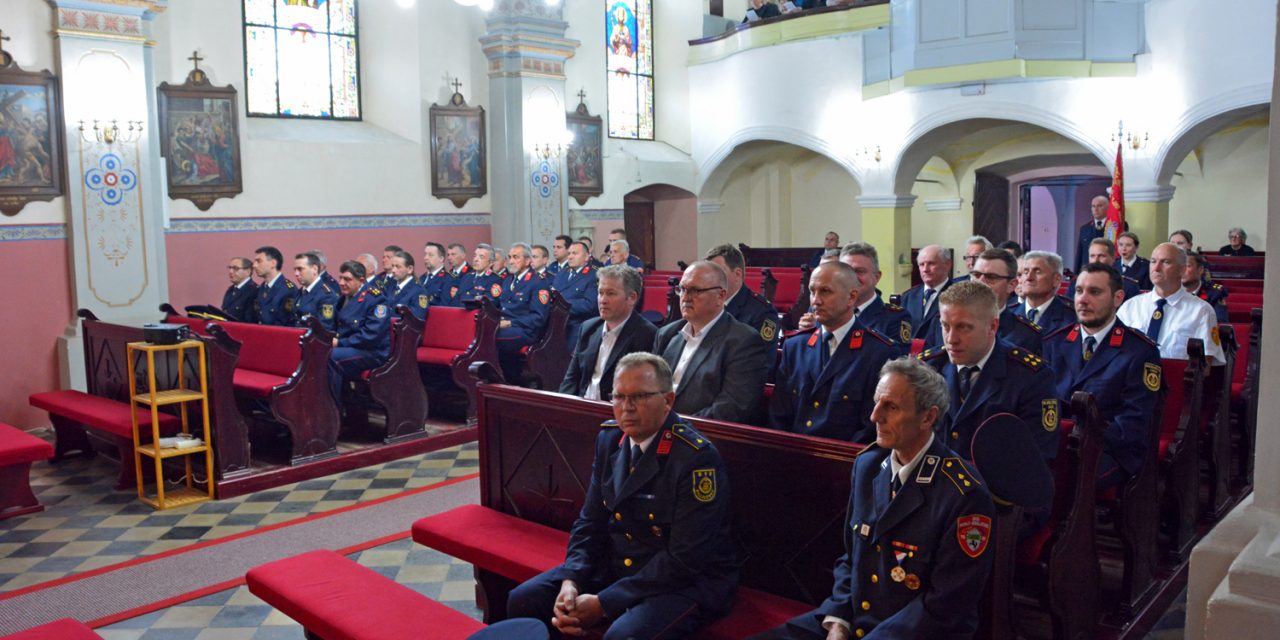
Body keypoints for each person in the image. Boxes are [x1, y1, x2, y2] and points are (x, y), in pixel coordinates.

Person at [752, 358, 995, 640]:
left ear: (928, 417)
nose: (874, 416)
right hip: (855, 620)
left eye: (891, 407)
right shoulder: (868, 465)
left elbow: (946, 606)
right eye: (876, 402)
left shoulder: (963, 494)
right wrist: (838, 621)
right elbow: (850, 558)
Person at [507, 353, 738, 640]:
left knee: (623, 636)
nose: (626, 408)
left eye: (639, 397)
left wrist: (605, 603)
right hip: (621, 564)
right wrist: (572, 579)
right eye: (617, 397)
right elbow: (589, 521)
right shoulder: (610, 439)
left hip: (687, 582)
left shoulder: (695, 458)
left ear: (668, 401)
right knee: (525, 599)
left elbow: (685, 560)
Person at [1042, 263, 1161, 490]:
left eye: (1094, 292)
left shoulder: (1140, 351)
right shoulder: (1054, 343)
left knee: (1066, 480)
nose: (1082, 300)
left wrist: (1083, 442)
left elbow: (1132, 424)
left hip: (1112, 450)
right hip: (1060, 443)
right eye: (1079, 291)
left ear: (1117, 298)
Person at [919, 281, 1058, 463]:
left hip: (994, 488)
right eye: (945, 326)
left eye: (963, 327)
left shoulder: (1031, 377)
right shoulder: (929, 367)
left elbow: (1035, 459)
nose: (951, 339)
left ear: (992, 326)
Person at [770, 262, 896, 443]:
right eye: (812, 291)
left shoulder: (878, 352)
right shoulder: (795, 346)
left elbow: (871, 426)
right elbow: (779, 414)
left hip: (845, 460)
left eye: (825, 291)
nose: (815, 301)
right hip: (794, 454)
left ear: (852, 297)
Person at [654, 261, 771, 424]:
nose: (685, 297)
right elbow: (649, 388)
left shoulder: (743, 341)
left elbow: (730, 409)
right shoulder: (667, 334)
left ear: (721, 296)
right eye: (682, 289)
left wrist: (673, 429)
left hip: (702, 440)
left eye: (695, 290)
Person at [1116, 242, 1226, 365]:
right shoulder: (1130, 307)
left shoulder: (1201, 311)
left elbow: (1204, 366)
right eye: (1153, 261)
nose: (1156, 268)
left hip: (1176, 381)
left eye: (1165, 262)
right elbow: (1113, 351)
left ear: (1182, 269)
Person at [560, 265, 657, 401]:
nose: (603, 300)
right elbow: (571, 378)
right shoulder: (588, 328)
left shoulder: (647, 334)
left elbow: (639, 392)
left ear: (632, 298)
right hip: (582, 407)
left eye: (611, 293)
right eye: (600, 293)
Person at [799, 243, 912, 353]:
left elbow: (896, 364)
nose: (852, 277)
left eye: (860, 271)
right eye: (847, 271)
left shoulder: (894, 318)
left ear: (876, 277)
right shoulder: (822, 306)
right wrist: (807, 332)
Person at [327, 260, 391, 403]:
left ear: (361, 280)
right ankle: (346, 404)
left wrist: (340, 343)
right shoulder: (344, 297)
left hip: (372, 352)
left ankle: (332, 410)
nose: (342, 282)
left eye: (347, 279)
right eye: (341, 278)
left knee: (330, 357)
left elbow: (371, 336)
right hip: (351, 348)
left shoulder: (375, 299)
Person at [495, 243, 552, 381]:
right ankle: (495, 381)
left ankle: (507, 380)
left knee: (492, 337)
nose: (511, 261)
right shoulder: (507, 281)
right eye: (509, 257)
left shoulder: (538, 282)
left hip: (526, 331)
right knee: (482, 332)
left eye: (516, 257)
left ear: (527, 261)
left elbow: (538, 318)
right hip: (505, 327)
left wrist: (510, 323)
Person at [969, 249, 1043, 354]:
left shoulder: (1027, 335)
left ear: (1011, 285)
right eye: (976, 275)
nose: (980, 282)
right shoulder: (949, 322)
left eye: (991, 277)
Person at [706, 243, 779, 347]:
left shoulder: (762, 312)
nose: (710, 279)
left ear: (737, 274)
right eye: (708, 274)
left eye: (717, 273)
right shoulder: (707, 304)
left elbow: (760, 359)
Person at [899, 245, 958, 348]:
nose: (925, 269)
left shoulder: (958, 295)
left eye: (931, 263)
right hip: (909, 360)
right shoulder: (908, 297)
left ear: (948, 265)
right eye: (921, 264)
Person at [552, 241, 601, 351]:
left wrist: (563, 305)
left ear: (587, 257)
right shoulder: (561, 274)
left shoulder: (593, 275)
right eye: (569, 254)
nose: (570, 257)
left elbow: (590, 305)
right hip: (557, 322)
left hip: (579, 324)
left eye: (575, 253)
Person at [1012, 251, 1076, 335]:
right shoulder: (1008, 314)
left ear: (1056, 279)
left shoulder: (1072, 318)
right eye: (1026, 272)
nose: (1028, 277)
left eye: (1037, 272)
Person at [246, 246, 296, 326]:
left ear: (273, 263)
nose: (254, 265)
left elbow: (288, 323)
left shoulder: (288, 289)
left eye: (259, 261)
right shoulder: (261, 288)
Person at [1075, 195, 1126, 273]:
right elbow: (1080, 253)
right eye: (1093, 206)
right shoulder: (1085, 228)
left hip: (1110, 271)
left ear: (1108, 207)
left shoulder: (1116, 226)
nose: (1095, 209)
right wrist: (1077, 273)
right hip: (1088, 271)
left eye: (1099, 206)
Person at [292, 251, 340, 331]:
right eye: (295, 269)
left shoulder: (327, 296)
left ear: (314, 269)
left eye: (300, 269)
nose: (296, 273)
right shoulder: (300, 292)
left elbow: (324, 330)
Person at [1184, 251, 1229, 323]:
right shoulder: (1169, 291)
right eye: (1179, 266)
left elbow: (1220, 322)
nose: (1181, 270)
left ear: (1200, 270)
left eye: (1187, 266)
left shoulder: (1215, 293)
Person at [385, 250, 429, 321]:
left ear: (409, 269)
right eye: (392, 266)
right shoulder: (390, 286)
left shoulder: (419, 292)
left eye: (398, 267)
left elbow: (416, 319)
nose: (393, 270)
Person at [222, 257, 258, 321]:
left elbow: (250, 321)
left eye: (235, 268)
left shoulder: (254, 291)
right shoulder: (230, 290)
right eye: (230, 268)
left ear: (248, 271)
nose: (231, 272)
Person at [418, 242, 452, 306]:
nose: (426, 258)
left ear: (441, 259)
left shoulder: (449, 279)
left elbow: (445, 307)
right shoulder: (421, 279)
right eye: (425, 254)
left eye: (430, 255)